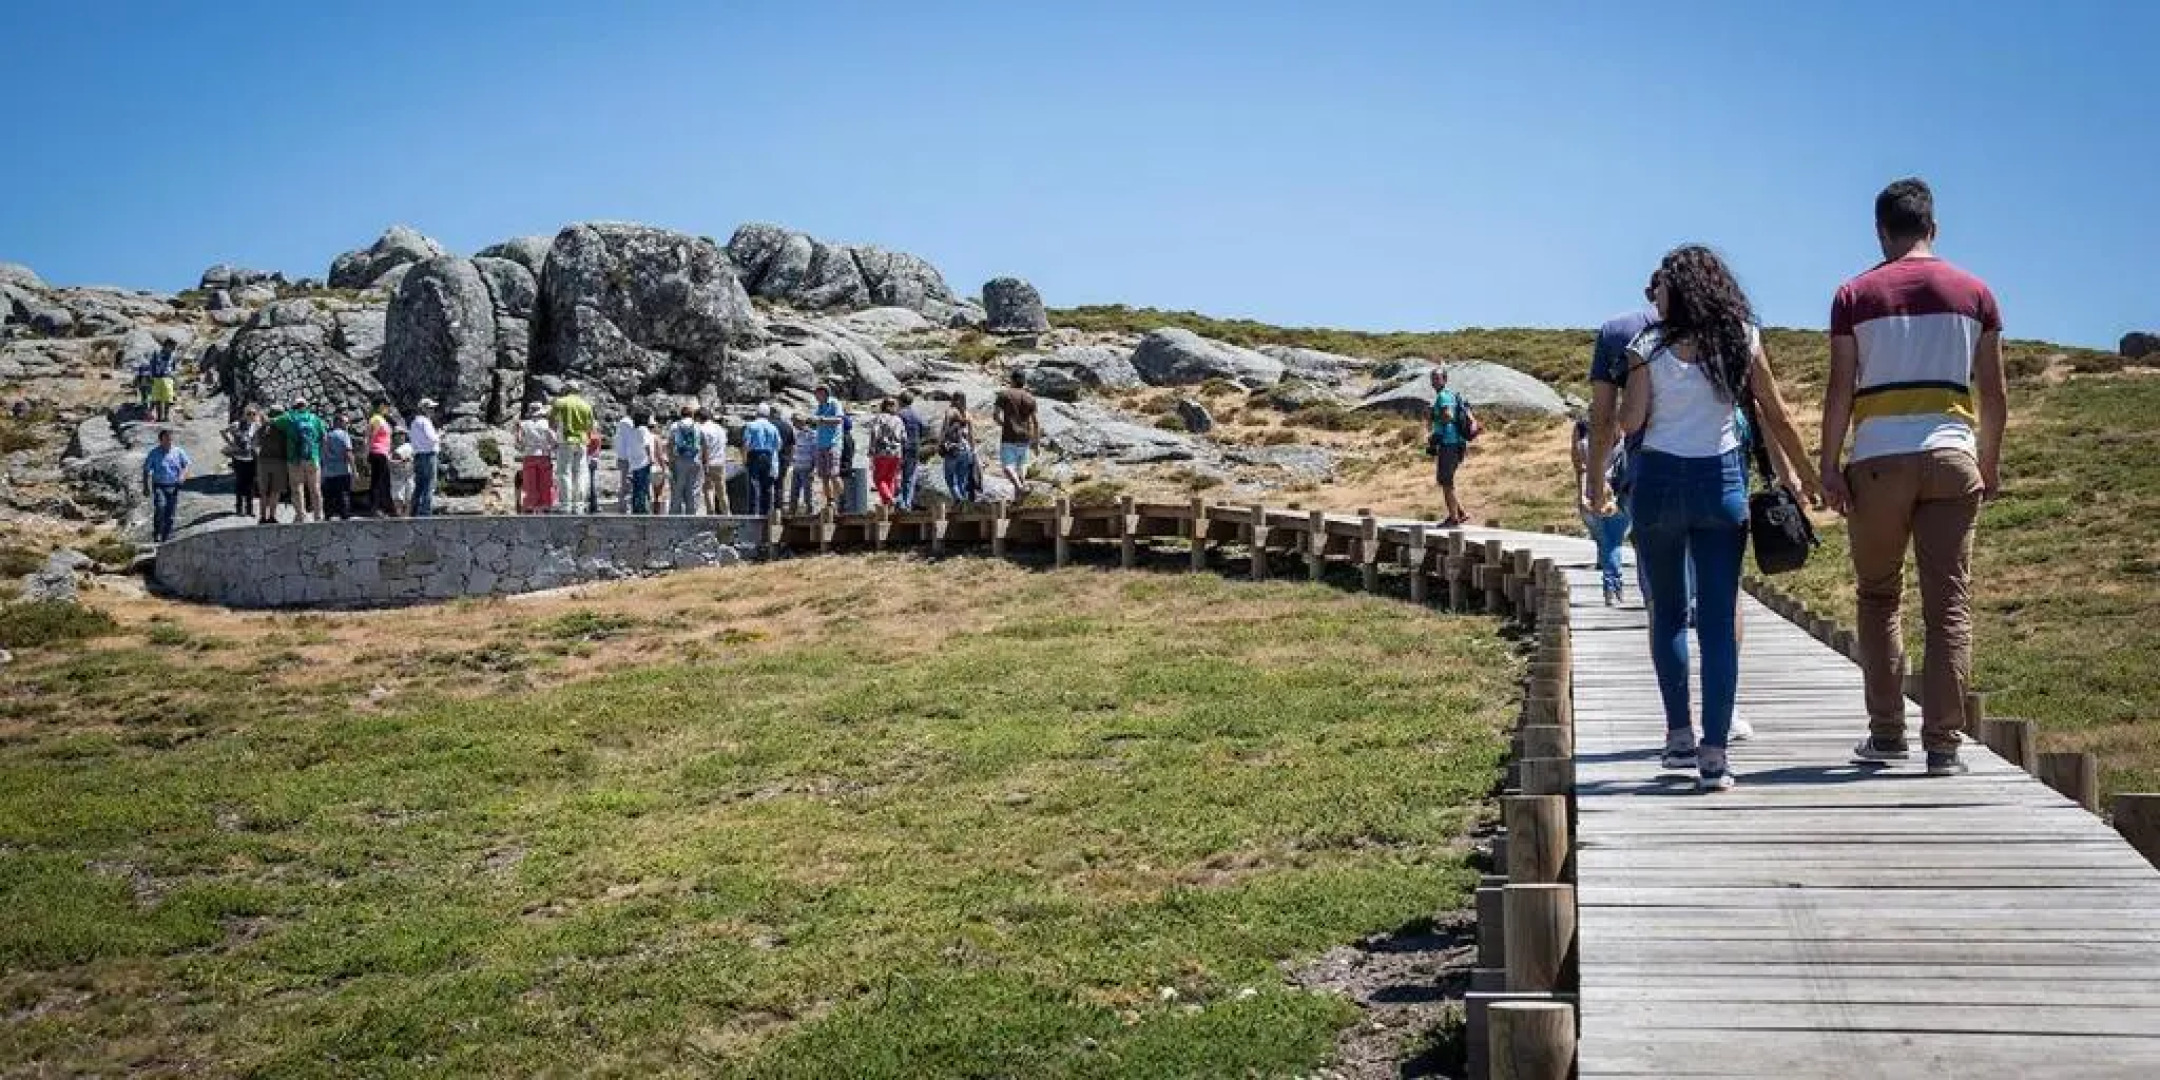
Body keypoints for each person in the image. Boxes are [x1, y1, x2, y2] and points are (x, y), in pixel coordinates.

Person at [1584, 245, 1811, 792]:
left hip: (1660, 485)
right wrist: (1810, 473)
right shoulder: (1742, 337)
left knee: (1666, 613)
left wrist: (1596, 481)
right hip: (1721, 486)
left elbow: (1631, 421)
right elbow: (1775, 413)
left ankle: (1678, 735)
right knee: (1718, 621)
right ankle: (1715, 756)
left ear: (1674, 292)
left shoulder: (1643, 346)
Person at [1821, 179, 2006, 778]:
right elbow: (1995, 392)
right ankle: (1945, 746)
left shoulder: (1854, 294)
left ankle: (1887, 734)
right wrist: (1990, 459)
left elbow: (1840, 389)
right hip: (1953, 456)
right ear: (1934, 227)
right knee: (1948, 604)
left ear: (1881, 231)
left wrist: (1828, 465)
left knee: (1879, 597)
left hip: (1878, 459)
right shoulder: (1976, 293)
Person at [1571, 409, 1629, 605]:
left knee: (1607, 541)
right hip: (1620, 496)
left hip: (1593, 496)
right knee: (1613, 542)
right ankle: (1613, 583)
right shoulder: (1627, 438)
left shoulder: (1583, 437)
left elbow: (1579, 468)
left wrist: (1580, 496)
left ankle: (1611, 584)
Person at [1428, 367, 1476, 526]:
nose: (1434, 381)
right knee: (1447, 480)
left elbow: (1448, 416)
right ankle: (1461, 513)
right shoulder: (1452, 395)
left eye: (1437, 378)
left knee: (1445, 481)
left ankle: (1453, 518)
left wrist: (1435, 420)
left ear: (1444, 380)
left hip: (1449, 443)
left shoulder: (1442, 396)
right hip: (1457, 443)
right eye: (1432, 378)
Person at [549, 383, 596, 514]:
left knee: (564, 472)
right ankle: (579, 505)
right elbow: (590, 427)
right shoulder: (586, 405)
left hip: (566, 440)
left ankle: (566, 504)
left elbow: (551, 422)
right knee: (580, 473)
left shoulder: (560, 402)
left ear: (566, 390)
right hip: (582, 441)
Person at [993, 369, 1038, 501]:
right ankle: (1019, 497)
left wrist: (1003, 424)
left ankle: (1019, 486)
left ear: (1012, 380)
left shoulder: (1004, 395)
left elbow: (995, 415)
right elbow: (1035, 422)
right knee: (1021, 465)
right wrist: (1036, 442)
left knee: (1007, 466)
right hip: (1025, 437)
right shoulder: (1030, 398)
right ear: (1024, 382)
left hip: (1009, 436)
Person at [281, 397, 325, 523]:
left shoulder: (288, 418)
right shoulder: (315, 419)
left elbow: (272, 422)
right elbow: (324, 436)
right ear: (306, 406)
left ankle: (301, 516)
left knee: (297, 488)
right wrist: (318, 453)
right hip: (313, 458)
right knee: (315, 488)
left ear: (294, 406)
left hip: (294, 459)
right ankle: (318, 516)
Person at [142, 428, 190, 542]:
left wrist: (183, 476)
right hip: (159, 485)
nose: (168, 442)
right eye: (166, 440)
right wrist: (146, 486)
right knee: (160, 506)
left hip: (174, 486)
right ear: (160, 440)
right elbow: (146, 469)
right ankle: (157, 531)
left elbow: (186, 464)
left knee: (170, 513)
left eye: (170, 439)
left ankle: (166, 536)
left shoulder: (178, 451)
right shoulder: (154, 453)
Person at [514, 402, 557, 513]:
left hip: (529, 455)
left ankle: (530, 505)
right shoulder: (547, 424)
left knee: (530, 483)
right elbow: (554, 440)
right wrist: (550, 448)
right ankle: (546, 505)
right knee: (545, 483)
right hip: (543, 454)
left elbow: (519, 442)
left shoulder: (523, 424)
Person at [665, 402, 707, 515]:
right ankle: (691, 514)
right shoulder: (698, 426)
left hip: (679, 460)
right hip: (695, 460)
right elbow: (704, 445)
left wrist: (670, 461)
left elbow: (669, 445)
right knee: (693, 488)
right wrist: (704, 462)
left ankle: (675, 514)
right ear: (692, 415)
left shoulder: (675, 426)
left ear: (681, 415)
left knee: (678, 488)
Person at [740, 404, 782, 516]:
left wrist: (744, 459)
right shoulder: (773, 427)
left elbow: (746, 443)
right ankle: (766, 512)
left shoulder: (751, 425)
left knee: (753, 484)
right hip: (768, 456)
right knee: (766, 485)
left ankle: (752, 512)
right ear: (768, 414)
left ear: (757, 413)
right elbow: (778, 445)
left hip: (754, 455)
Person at [224, 405, 262, 518]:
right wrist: (231, 444)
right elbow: (223, 432)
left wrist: (257, 447)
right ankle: (239, 508)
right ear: (245, 414)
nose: (251, 416)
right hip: (239, 458)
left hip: (251, 458)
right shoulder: (237, 424)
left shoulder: (256, 426)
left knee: (251, 484)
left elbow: (260, 438)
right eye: (249, 413)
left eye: (253, 414)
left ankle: (249, 509)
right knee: (240, 483)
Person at [941, 393, 980, 503]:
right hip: (966, 449)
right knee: (962, 479)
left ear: (954, 399)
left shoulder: (950, 411)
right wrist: (973, 451)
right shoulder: (967, 414)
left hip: (953, 449)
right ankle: (964, 503)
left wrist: (940, 443)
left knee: (949, 478)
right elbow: (971, 435)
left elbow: (945, 429)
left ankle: (958, 499)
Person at [811, 385, 845, 511]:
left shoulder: (834, 403)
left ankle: (842, 500)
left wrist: (822, 419)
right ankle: (830, 502)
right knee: (823, 475)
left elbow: (839, 419)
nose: (816, 396)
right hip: (821, 444)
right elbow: (816, 422)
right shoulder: (819, 407)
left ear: (825, 393)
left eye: (818, 393)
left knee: (834, 474)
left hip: (833, 443)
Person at [868, 398, 906, 507]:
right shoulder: (899, 420)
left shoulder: (880, 418)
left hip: (882, 452)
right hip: (897, 453)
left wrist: (872, 449)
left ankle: (889, 499)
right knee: (890, 478)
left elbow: (875, 432)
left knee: (878, 478)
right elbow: (904, 437)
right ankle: (887, 504)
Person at [255, 406, 289, 524]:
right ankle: (272, 516)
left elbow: (257, 442)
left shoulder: (263, 427)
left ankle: (263, 517)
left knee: (264, 492)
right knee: (276, 491)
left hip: (263, 461)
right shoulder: (283, 428)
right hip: (279, 461)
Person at [407, 398, 441, 517]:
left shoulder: (414, 422)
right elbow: (432, 438)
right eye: (430, 408)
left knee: (419, 484)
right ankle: (425, 512)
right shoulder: (425, 422)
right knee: (429, 484)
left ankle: (414, 511)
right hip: (429, 455)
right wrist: (439, 435)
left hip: (418, 455)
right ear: (424, 409)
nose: (433, 410)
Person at [614, 411, 652, 514]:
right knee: (642, 487)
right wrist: (651, 458)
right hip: (642, 463)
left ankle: (635, 508)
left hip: (634, 463)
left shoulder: (633, 430)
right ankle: (641, 509)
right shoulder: (642, 429)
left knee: (635, 487)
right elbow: (646, 445)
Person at [321, 411, 356, 519]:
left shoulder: (326, 436)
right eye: (346, 422)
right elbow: (349, 453)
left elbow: (322, 455)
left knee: (329, 496)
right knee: (343, 495)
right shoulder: (344, 435)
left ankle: (328, 517)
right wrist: (355, 470)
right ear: (339, 422)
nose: (347, 425)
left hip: (328, 472)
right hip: (343, 471)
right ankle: (345, 517)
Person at [365, 402, 396, 517]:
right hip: (377, 453)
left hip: (383, 453)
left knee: (383, 481)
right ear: (379, 407)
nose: (387, 409)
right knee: (378, 482)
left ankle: (383, 507)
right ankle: (376, 508)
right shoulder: (376, 419)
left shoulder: (383, 420)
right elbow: (371, 436)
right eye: (385, 406)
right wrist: (368, 452)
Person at [698, 407, 731, 515]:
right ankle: (727, 514)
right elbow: (724, 445)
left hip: (708, 462)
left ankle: (711, 513)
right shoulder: (720, 429)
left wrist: (705, 464)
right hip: (720, 462)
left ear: (699, 417)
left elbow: (704, 448)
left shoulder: (702, 429)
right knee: (722, 491)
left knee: (708, 489)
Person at [896, 392, 926, 510]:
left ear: (901, 401)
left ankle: (899, 502)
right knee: (910, 476)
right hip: (915, 448)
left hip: (901, 448)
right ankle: (907, 503)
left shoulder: (899, 414)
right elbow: (924, 428)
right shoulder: (917, 414)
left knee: (898, 475)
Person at [786, 413, 818, 513]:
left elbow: (815, 452)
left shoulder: (812, 434)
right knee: (794, 491)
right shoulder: (798, 434)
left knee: (807, 491)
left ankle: (809, 511)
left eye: (794, 422)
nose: (793, 424)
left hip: (807, 466)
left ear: (800, 422)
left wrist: (814, 468)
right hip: (797, 466)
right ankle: (792, 511)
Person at [147, 345, 178, 423]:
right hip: (157, 378)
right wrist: (151, 376)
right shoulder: (157, 354)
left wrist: (173, 376)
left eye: (173, 348)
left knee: (167, 398)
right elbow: (152, 364)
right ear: (165, 346)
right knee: (157, 399)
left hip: (168, 377)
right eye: (171, 347)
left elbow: (174, 366)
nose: (172, 349)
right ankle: (159, 417)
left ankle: (166, 416)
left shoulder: (173, 355)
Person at [642, 417, 667, 514]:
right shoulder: (656, 438)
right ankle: (657, 514)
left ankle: (647, 513)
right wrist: (664, 468)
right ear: (654, 427)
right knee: (658, 494)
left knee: (647, 493)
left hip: (644, 466)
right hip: (656, 467)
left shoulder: (642, 436)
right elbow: (660, 455)